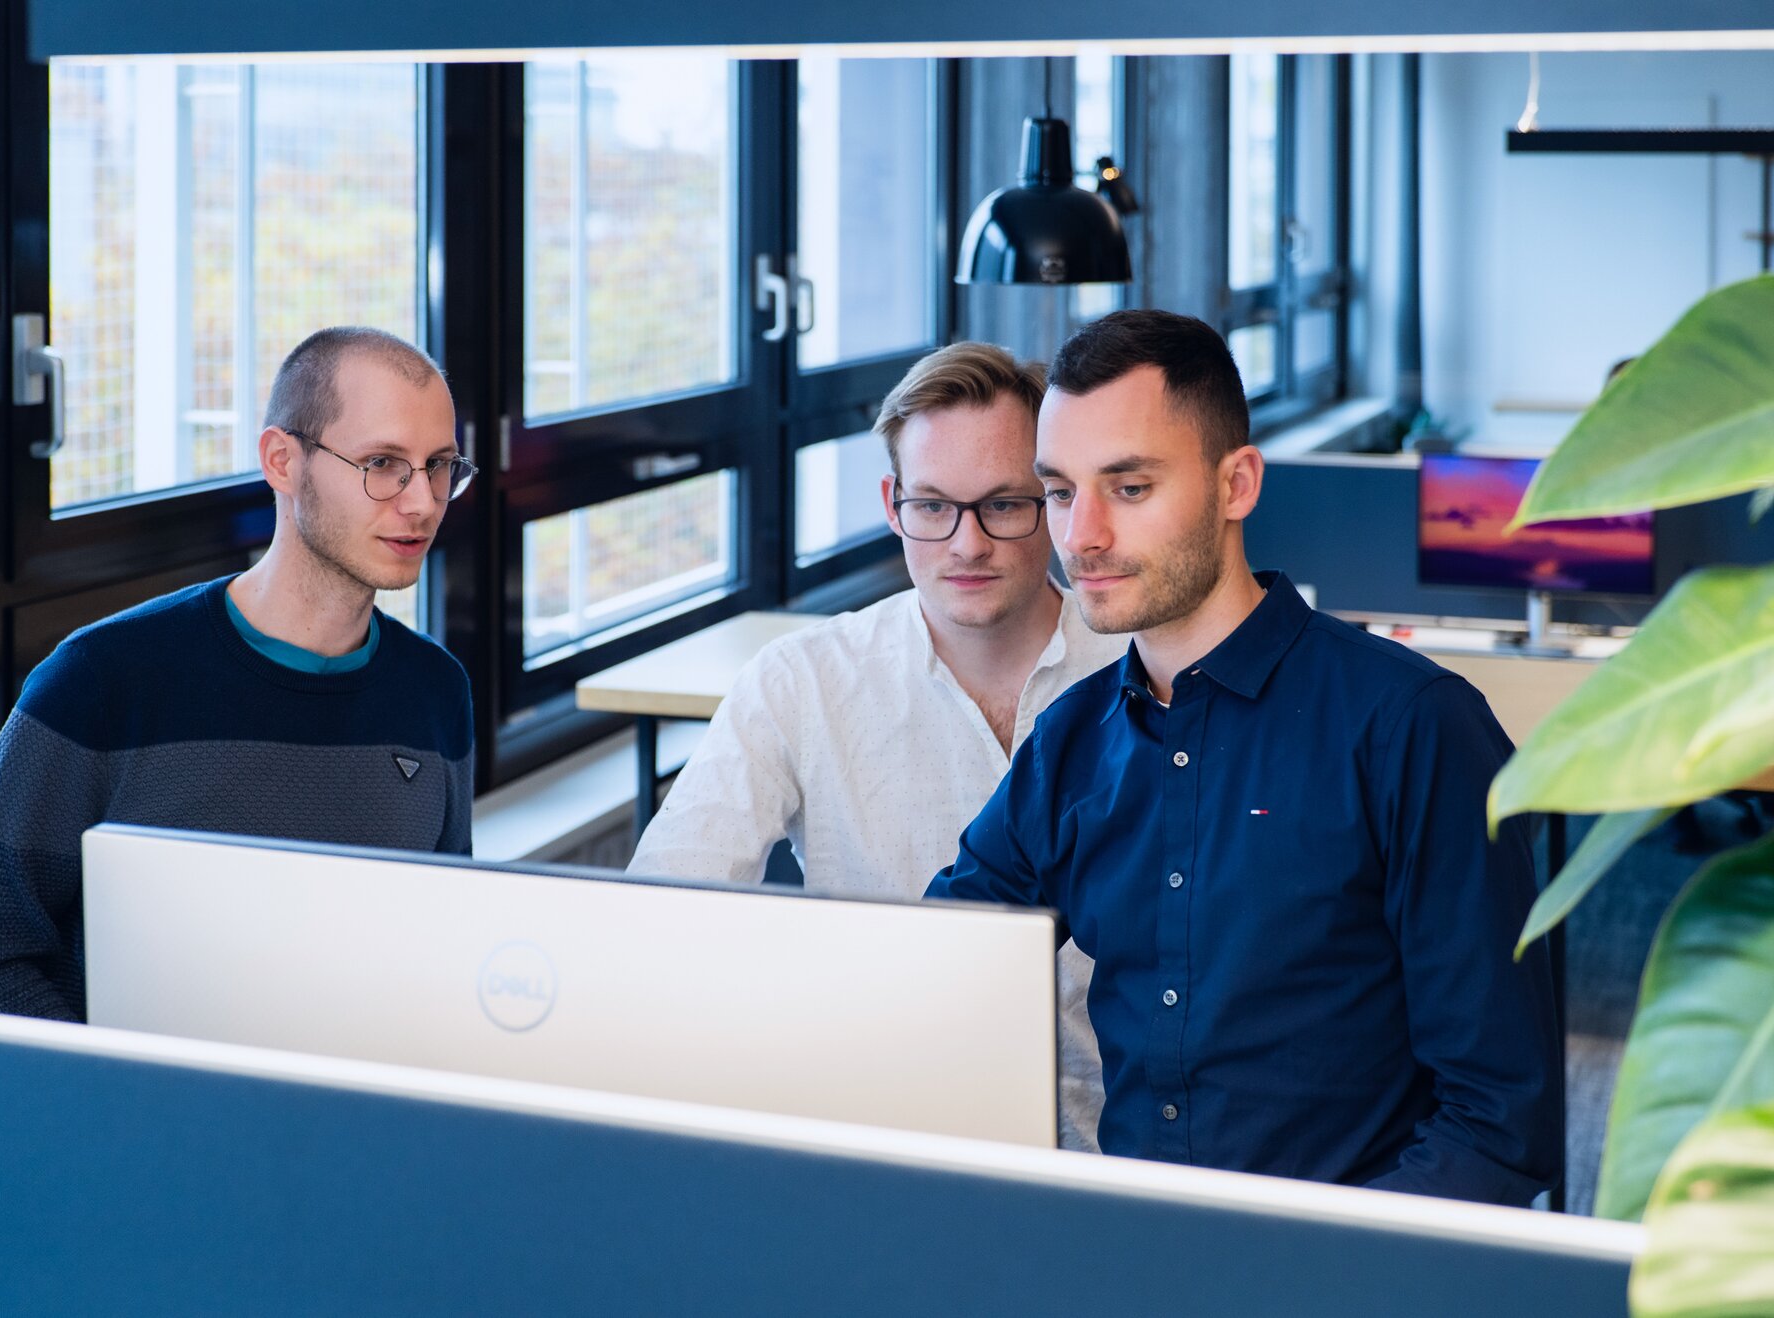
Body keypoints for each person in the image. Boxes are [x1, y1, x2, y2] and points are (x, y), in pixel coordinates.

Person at [928, 310, 1562, 1203]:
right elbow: (930, 968)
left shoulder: (1413, 729)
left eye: (1131, 487)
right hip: (1140, 1255)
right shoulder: (1070, 748)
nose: (1081, 537)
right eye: (1062, 492)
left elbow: (1501, 1122)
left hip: (1350, 1273)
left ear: (1237, 484)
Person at [629, 341, 1129, 1151]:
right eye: (933, 506)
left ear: (1057, 499)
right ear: (893, 502)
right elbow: (661, 912)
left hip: (1123, 1145)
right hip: (890, 1140)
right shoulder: (802, 683)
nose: (967, 545)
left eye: (1004, 504)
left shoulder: (1143, 674)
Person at [0, 326, 477, 1022]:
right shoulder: (100, 683)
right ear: (283, 461)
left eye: (439, 466)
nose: (423, 502)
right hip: (143, 1115)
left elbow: (444, 945)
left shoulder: (436, 692)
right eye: (383, 464)